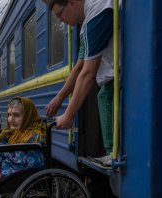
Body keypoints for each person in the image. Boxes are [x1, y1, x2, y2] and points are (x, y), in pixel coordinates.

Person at [45, 0, 118, 166]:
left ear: (72, 3)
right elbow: (79, 67)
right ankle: (112, 152)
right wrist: (59, 98)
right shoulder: (86, 25)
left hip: (119, 73)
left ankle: (113, 153)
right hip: (111, 75)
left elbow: (87, 74)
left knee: (105, 96)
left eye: (60, 14)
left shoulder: (98, 8)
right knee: (104, 95)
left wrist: (69, 115)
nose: (61, 20)